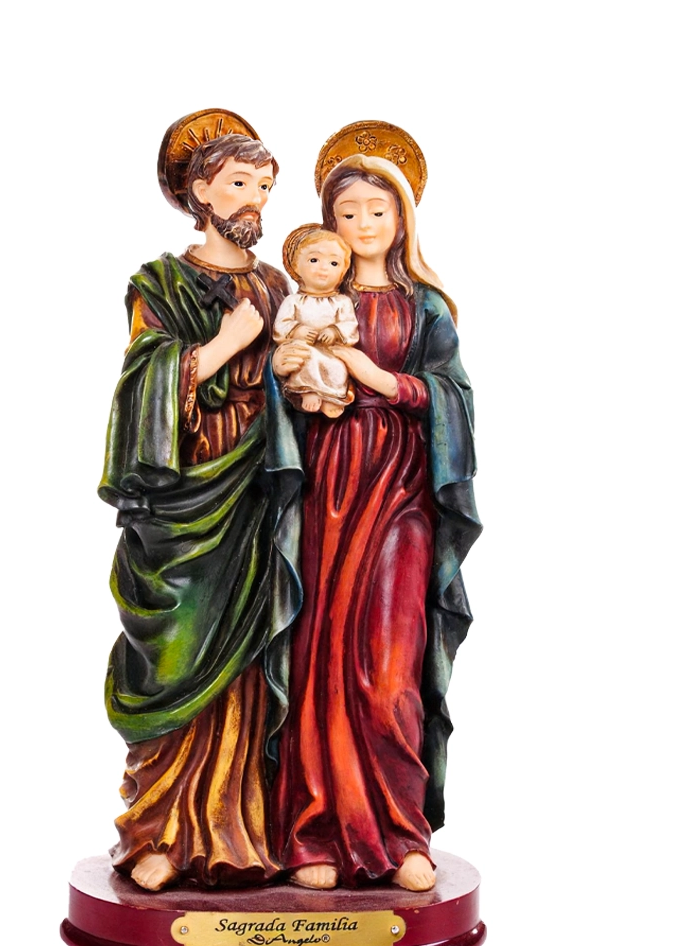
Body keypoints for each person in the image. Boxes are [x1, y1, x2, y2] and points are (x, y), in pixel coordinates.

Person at [268, 136, 482, 892]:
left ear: (403, 218)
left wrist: (378, 378)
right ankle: (314, 833)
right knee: (320, 653)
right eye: (348, 212)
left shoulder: (425, 306)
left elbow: (452, 396)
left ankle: (399, 830)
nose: (362, 225)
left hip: (400, 491)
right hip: (327, 483)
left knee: (391, 664)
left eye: (377, 210)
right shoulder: (308, 296)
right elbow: (278, 387)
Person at [98, 112, 290, 891]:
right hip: (185, 504)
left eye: (264, 186)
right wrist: (226, 344)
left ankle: (243, 832)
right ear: (200, 192)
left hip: (257, 498)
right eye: (240, 183)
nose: (255, 200)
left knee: (253, 661)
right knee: (175, 654)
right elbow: (143, 384)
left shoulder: (278, 285)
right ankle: (160, 831)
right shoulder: (159, 283)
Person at [272, 225, 357, 418]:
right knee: (304, 359)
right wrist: (297, 330)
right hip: (305, 347)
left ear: (343, 271)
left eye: (333, 263)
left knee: (338, 368)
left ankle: (332, 396)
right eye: (314, 260)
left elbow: (350, 325)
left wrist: (335, 331)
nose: (323, 268)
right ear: (297, 266)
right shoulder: (293, 301)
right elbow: (280, 325)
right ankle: (308, 391)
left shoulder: (342, 302)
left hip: (330, 351)